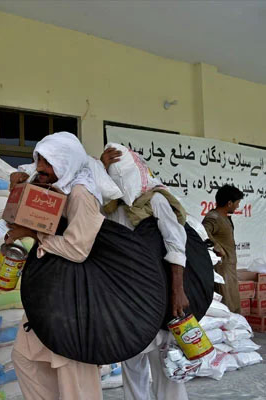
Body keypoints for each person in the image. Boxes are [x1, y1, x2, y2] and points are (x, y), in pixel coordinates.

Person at [6, 132, 105, 400]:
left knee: (74, 376)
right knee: (25, 357)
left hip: (74, 299)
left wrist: (35, 235)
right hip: (48, 294)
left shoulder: (82, 194)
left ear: (65, 162)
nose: (41, 168)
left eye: (48, 163)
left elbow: (77, 249)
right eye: (39, 160)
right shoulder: (53, 186)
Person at [101, 146, 190, 400]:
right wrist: (98, 166)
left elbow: (176, 244)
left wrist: (177, 291)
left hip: (159, 295)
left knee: (165, 366)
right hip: (127, 298)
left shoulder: (156, 200)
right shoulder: (111, 209)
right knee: (132, 363)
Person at [202, 184, 244, 313]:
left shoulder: (224, 217)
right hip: (221, 267)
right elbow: (202, 232)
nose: (238, 206)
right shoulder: (213, 217)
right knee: (226, 303)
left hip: (229, 266)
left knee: (233, 301)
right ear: (229, 203)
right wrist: (216, 246)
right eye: (237, 203)